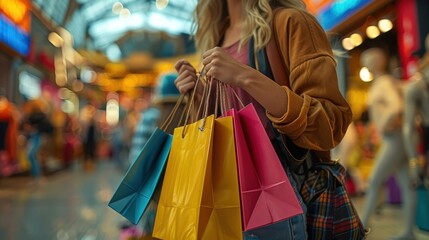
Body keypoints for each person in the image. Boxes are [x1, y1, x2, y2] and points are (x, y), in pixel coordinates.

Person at [174, 0, 353, 239]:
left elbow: (329, 125)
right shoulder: (216, 36)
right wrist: (199, 96)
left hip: (278, 188)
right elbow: (228, 129)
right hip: (225, 191)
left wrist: (245, 77)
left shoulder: (290, 22)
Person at [359, 48, 416, 240]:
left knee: (375, 180)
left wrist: (382, 124)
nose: (365, 64)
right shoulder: (383, 82)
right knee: (407, 183)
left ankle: (362, 227)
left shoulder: (383, 82)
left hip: (394, 138)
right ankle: (409, 231)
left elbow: (396, 106)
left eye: (367, 60)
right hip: (395, 138)